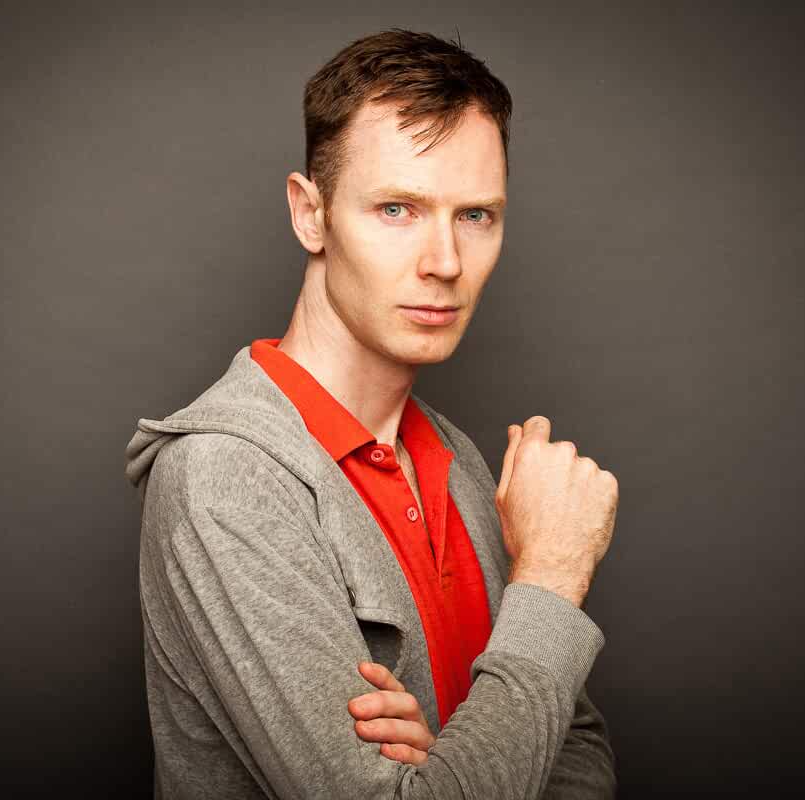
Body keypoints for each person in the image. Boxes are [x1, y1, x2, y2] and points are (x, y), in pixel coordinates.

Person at [124, 27, 620, 799]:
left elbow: (580, 758)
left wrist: (448, 758)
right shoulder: (223, 477)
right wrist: (551, 578)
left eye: (476, 216)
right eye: (397, 209)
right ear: (310, 213)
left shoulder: (457, 463)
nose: (445, 263)